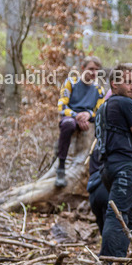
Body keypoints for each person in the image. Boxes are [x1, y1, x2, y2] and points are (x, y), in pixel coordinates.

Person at [97, 63, 132, 258]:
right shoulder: (127, 104)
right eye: (127, 82)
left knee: (130, 220)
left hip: (106, 169)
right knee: (117, 214)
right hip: (123, 167)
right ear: (114, 84)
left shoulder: (103, 107)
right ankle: (110, 261)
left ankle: (119, 256)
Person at [55, 56, 106, 188]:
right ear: (83, 68)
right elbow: (62, 106)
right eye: (90, 69)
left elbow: (100, 111)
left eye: (96, 70)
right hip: (70, 116)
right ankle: (61, 167)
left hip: (87, 120)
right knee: (68, 124)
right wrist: (76, 115)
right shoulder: (71, 82)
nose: (93, 73)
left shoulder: (99, 89)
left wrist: (88, 115)